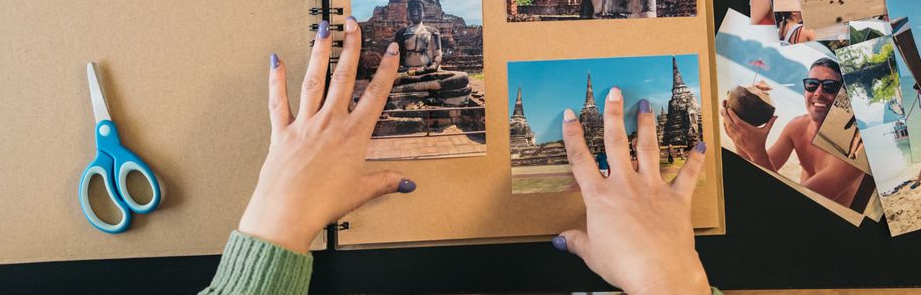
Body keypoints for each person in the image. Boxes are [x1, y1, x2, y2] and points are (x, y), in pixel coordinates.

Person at [201, 17, 720, 294]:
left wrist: (277, 219)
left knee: (449, 85)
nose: (417, 25)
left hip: (436, 86)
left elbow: (443, 68)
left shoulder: (433, 42)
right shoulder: (410, 35)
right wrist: (671, 282)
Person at [722, 58, 867, 206]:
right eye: (812, 84)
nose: (818, 92)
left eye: (829, 87)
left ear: (844, 96)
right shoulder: (797, 127)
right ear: (805, 90)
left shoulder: (853, 150)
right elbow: (754, 175)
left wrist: (757, 151)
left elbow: (792, 205)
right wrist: (738, 136)